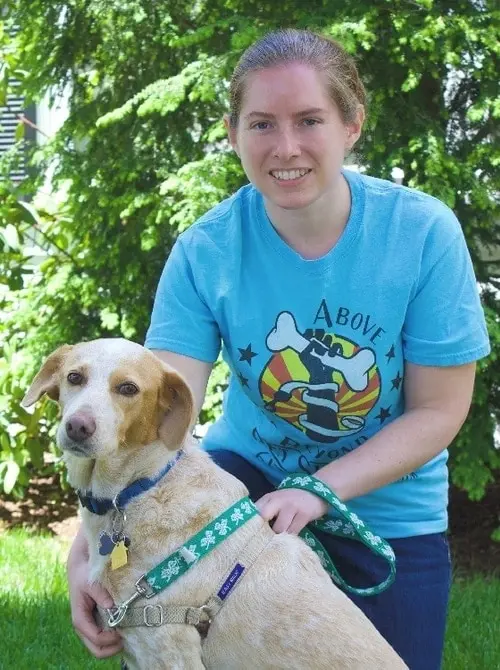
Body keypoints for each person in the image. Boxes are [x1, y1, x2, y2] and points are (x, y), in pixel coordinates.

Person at [67, 28, 490, 669]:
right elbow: (149, 417)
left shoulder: (423, 233)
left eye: (310, 120)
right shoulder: (206, 249)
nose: (285, 147)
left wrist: (319, 491)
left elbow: (437, 410)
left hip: (392, 504)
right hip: (248, 478)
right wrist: (87, 556)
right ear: (233, 132)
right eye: (261, 123)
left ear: (352, 125)